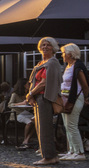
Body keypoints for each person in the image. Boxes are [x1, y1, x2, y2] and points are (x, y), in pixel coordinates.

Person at [26, 37, 62, 166]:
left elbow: (44, 83)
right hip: (39, 98)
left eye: (48, 45)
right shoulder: (42, 63)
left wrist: (30, 94)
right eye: (43, 45)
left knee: (44, 128)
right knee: (41, 127)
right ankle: (52, 155)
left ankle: (49, 157)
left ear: (53, 48)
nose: (45, 47)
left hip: (45, 98)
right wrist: (31, 96)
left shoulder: (52, 62)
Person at [58, 43, 89, 161]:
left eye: (63, 53)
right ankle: (72, 150)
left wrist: (86, 98)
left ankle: (80, 153)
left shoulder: (78, 66)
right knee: (67, 126)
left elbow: (85, 85)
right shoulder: (68, 66)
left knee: (72, 125)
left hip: (74, 98)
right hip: (65, 98)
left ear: (70, 54)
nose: (62, 55)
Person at [9, 78, 36, 150]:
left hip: (26, 113)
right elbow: (10, 105)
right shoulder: (15, 94)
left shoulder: (28, 94)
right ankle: (26, 140)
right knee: (30, 122)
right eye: (28, 84)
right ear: (23, 85)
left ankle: (26, 140)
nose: (29, 85)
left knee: (36, 121)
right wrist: (21, 103)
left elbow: (28, 107)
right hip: (17, 114)